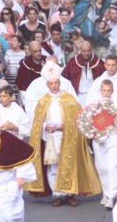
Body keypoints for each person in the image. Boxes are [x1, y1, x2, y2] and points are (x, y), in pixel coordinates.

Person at [26, 64, 101, 206]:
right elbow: (37, 122)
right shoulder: (43, 101)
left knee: (68, 164)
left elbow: (77, 119)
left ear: (60, 83)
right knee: (53, 166)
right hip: (49, 137)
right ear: (47, 85)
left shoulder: (70, 99)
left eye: (56, 83)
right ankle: (57, 195)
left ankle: (69, 194)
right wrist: (44, 126)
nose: (54, 86)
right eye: (51, 84)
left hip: (66, 136)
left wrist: (65, 126)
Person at [62, 39, 106, 105]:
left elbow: (105, 78)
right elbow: (64, 78)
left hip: (94, 96)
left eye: (88, 51)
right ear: (80, 50)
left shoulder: (98, 62)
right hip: (78, 95)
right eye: (84, 51)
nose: (86, 54)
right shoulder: (73, 62)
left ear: (91, 50)